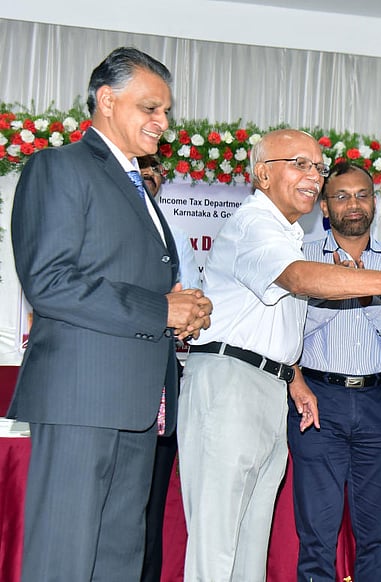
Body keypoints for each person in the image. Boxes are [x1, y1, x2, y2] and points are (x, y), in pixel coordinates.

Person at [177, 128, 381, 582]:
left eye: (317, 167)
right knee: (218, 543)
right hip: (231, 383)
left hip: (272, 385)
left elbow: (279, 322)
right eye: (299, 164)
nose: (313, 175)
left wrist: (293, 378)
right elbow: (299, 279)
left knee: (249, 542)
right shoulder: (255, 224)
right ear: (262, 174)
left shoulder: (284, 232)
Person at [8, 46, 212, 582]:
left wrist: (182, 311)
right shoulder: (59, 167)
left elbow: (132, 281)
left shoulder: (135, 183)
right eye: (150, 108)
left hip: (136, 405)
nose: (162, 122)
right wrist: (160, 308)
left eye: (166, 111)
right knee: (65, 561)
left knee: (118, 561)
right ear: (106, 100)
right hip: (82, 397)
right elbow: (50, 283)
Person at [288, 161, 381, 581]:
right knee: (317, 534)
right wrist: (338, 287)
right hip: (318, 399)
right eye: (341, 196)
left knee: (378, 534)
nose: (353, 204)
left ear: (374, 202)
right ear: (324, 207)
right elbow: (289, 334)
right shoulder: (301, 259)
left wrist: (368, 291)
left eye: (361, 195)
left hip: (380, 400)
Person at [136, 153, 202, 582]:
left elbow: (192, 303)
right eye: (139, 168)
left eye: (155, 170)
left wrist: (189, 316)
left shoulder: (173, 234)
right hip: (110, 376)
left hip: (161, 378)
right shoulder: (101, 225)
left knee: (151, 506)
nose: (149, 176)